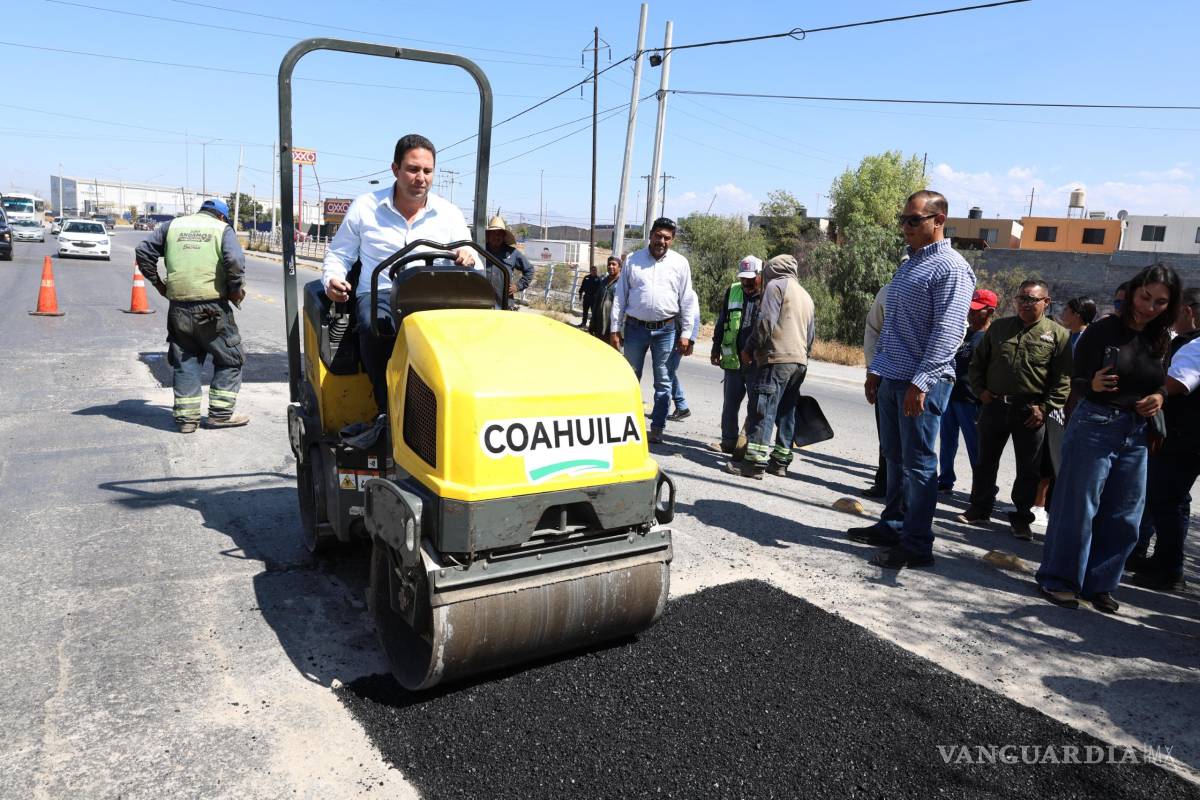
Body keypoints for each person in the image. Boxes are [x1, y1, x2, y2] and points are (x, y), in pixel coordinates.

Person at [1035, 264, 1182, 613]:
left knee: (1125, 515)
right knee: (1078, 508)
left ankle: (1099, 584)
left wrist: (1160, 396)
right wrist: (1092, 385)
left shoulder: (1159, 337)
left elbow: (1159, 380)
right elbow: (1075, 379)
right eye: (1146, 297)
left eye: (1161, 302)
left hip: (1136, 431)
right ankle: (1059, 579)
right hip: (1095, 424)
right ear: (1133, 290)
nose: (1150, 307)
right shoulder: (1103, 330)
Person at [848, 190, 975, 569]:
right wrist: (876, 370)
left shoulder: (951, 268)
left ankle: (917, 545)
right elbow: (892, 326)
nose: (905, 227)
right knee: (895, 459)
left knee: (919, 465)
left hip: (923, 383)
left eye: (913, 220)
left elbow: (949, 332)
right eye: (903, 220)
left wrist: (921, 383)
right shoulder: (910, 265)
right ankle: (893, 525)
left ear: (939, 220)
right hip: (893, 376)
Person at [322, 134, 476, 413]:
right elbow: (339, 254)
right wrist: (332, 279)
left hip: (434, 296)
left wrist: (468, 256)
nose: (421, 178)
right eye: (413, 169)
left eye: (427, 171)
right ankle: (388, 408)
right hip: (380, 293)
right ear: (395, 169)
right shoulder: (365, 207)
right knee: (376, 326)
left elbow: (471, 256)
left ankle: (455, 409)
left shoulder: (449, 213)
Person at [957, 280, 1072, 540]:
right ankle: (980, 508)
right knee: (985, 461)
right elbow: (977, 364)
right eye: (1021, 298)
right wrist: (981, 391)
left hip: (1030, 413)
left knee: (1028, 468)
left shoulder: (1057, 335)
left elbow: (1062, 379)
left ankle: (1021, 518)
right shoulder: (999, 328)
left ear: (1046, 302)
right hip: (994, 405)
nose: (1024, 304)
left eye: (1031, 299)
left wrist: (1044, 407)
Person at [135, 198, 248, 434]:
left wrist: (158, 284)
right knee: (231, 358)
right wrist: (235, 289)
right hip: (212, 308)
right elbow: (235, 261)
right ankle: (220, 415)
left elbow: (143, 251)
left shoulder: (172, 226)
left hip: (179, 308)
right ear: (221, 216)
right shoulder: (221, 229)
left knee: (186, 360)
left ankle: (187, 420)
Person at [1126, 285, 1200, 575]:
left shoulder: (1194, 344)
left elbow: (1180, 382)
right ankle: (1162, 563)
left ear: (1187, 310)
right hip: (1185, 438)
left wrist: (1150, 392)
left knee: (1166, 502)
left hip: (1181, 438)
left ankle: (1167, 569)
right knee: (1173, 501)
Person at [727, 254, 815, 479]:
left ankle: (754, 464)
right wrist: (802, 357)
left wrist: (749, 348)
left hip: (776, 359)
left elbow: (765, 322)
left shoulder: (775, 286)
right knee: (787, 412)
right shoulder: (805, 295)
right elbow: (811, 335)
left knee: (763, 410)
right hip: (799, 362)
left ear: (771, 270)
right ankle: (780, 462)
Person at [609, 217, 694, 444]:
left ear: (672, 240)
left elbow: (687, 300)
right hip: (635, 328)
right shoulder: (633, 261)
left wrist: (686, 334)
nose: (662, 241)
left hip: (666, 330)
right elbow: (620, 297)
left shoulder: (680, 263)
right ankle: (626, 425)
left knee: (664, 381)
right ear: (650, 235)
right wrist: (614, 329)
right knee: (629, 378)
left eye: (667, 238)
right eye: (658, 236)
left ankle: (657, 428)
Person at [937, 288, 997, 494]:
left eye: (976, 310)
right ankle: (945, 481)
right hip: (950, 395)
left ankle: (981, 489)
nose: (971, 314)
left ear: (990, 311)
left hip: (972, 401)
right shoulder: (964, 333)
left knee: (976, 448)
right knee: (947, 442)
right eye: (970, 309)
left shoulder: (992, 338)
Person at [710, 255, 764, 454]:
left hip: (756, 361)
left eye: (751, 278)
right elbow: (722, 320)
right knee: (730, 404)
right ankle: (728, 441)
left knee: (755, 406)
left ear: (760, 275)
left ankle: (747, 443)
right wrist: (716, 347)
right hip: (733, 358)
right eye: (743, 278)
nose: (746, 283)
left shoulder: (769, 294)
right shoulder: (733, 291)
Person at [862, 283, 890, 498]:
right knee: (887, 436)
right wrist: (872, 370)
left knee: (915, 445)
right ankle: (884, 483)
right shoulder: (888, 291)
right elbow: (873, 330)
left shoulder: (939, 286)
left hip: (919, 381)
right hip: (885, 375)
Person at [666, 288, 700, 422]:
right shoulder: (670, 289)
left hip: (680, 339)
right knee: (667, 371)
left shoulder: (690, 293)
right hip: (667, 335)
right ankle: (680, 406)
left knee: (667, 371)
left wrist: (691, 341)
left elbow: (695, 318)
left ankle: (680, 406)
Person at [484, 214, 532, 307]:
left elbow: (529, 270)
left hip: (504, 304)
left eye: (499, 233)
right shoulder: (480, 250)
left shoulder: (512, 253)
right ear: (488, 235)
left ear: (503, 236)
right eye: (493, 233)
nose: (496, 236)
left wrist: (518, 286)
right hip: (483, 304)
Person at [589, 256, 622, 341]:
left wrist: (621, 332)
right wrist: (592, 323)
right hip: (599, 328)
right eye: (609, 264)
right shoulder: (603, 282)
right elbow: (596, 303)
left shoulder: (623, 284)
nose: (610, 266)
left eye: (614, 264)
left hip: (614, 330)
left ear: (620, 267)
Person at [578, 264, 604, 329]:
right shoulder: (586, 278)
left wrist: (599, 299)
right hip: (586, 297)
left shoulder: (598, 279)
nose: (594, 271)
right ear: (590, 271)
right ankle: (583, 323)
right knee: (585, 311)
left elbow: (601, 290)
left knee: (594, 312)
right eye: (593, 270)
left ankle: (592, 325)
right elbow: (582, 287)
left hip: (594, 299)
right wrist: (580, 294)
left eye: (595, 270)